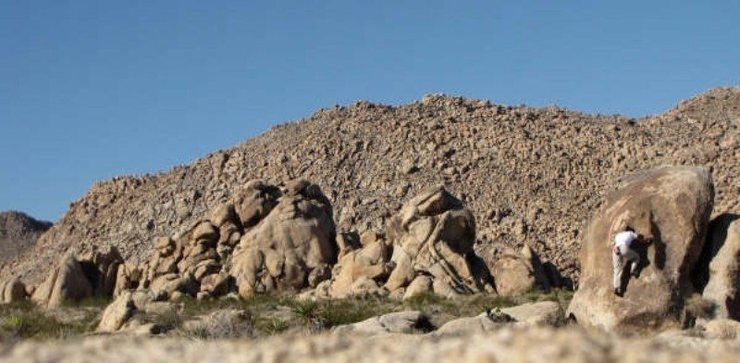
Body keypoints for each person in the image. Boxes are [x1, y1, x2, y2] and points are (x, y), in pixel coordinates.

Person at [612, 226, 640, 296]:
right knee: (636, 258)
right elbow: (639, 239)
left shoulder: (618, 235)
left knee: (617, 269)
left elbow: (614, 243)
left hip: (615, 249)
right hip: (623, 248)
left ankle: (617, 288)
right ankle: (632, 271)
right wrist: (646, 241)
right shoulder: (631, 233)